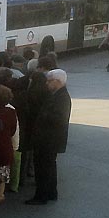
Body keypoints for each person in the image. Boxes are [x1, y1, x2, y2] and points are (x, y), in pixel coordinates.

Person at [26, 68, 71, 205]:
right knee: (49, 166)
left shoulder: (61, 97)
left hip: (48, 139)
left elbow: (59, 118)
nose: (47, 84)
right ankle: (51, 192)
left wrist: (44, 115)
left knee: (43, 167)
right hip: (50, 138)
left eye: (49, 81)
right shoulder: (58, 95)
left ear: (58, 82)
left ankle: (41, 196)